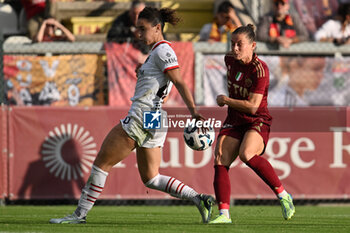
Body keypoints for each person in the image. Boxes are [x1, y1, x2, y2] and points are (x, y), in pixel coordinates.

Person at [49, 7, 214, 224]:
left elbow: (179, 81)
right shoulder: (157, 52)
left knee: (101, 164)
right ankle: (198, 198)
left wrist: (193, 111)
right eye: (137, 28)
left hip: (141, 116)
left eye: (143, 29)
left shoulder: (163, 51)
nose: (139, 33)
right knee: (151, 178)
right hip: (154, 118)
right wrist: (143, 70)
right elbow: (163, 84)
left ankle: (79, 216)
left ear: (157, 28)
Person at [208, 24, 295, 224]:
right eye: (232, 44)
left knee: (246, 154)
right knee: (220, 157)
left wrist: (226, 100)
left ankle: (283, 195)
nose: (235, 48)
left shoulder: (260, 69)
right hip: (234, 119)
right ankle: (224, 215)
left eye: (240, 44)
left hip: (257, 120)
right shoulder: (229, 59)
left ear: (253, 45)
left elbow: (253, 107)